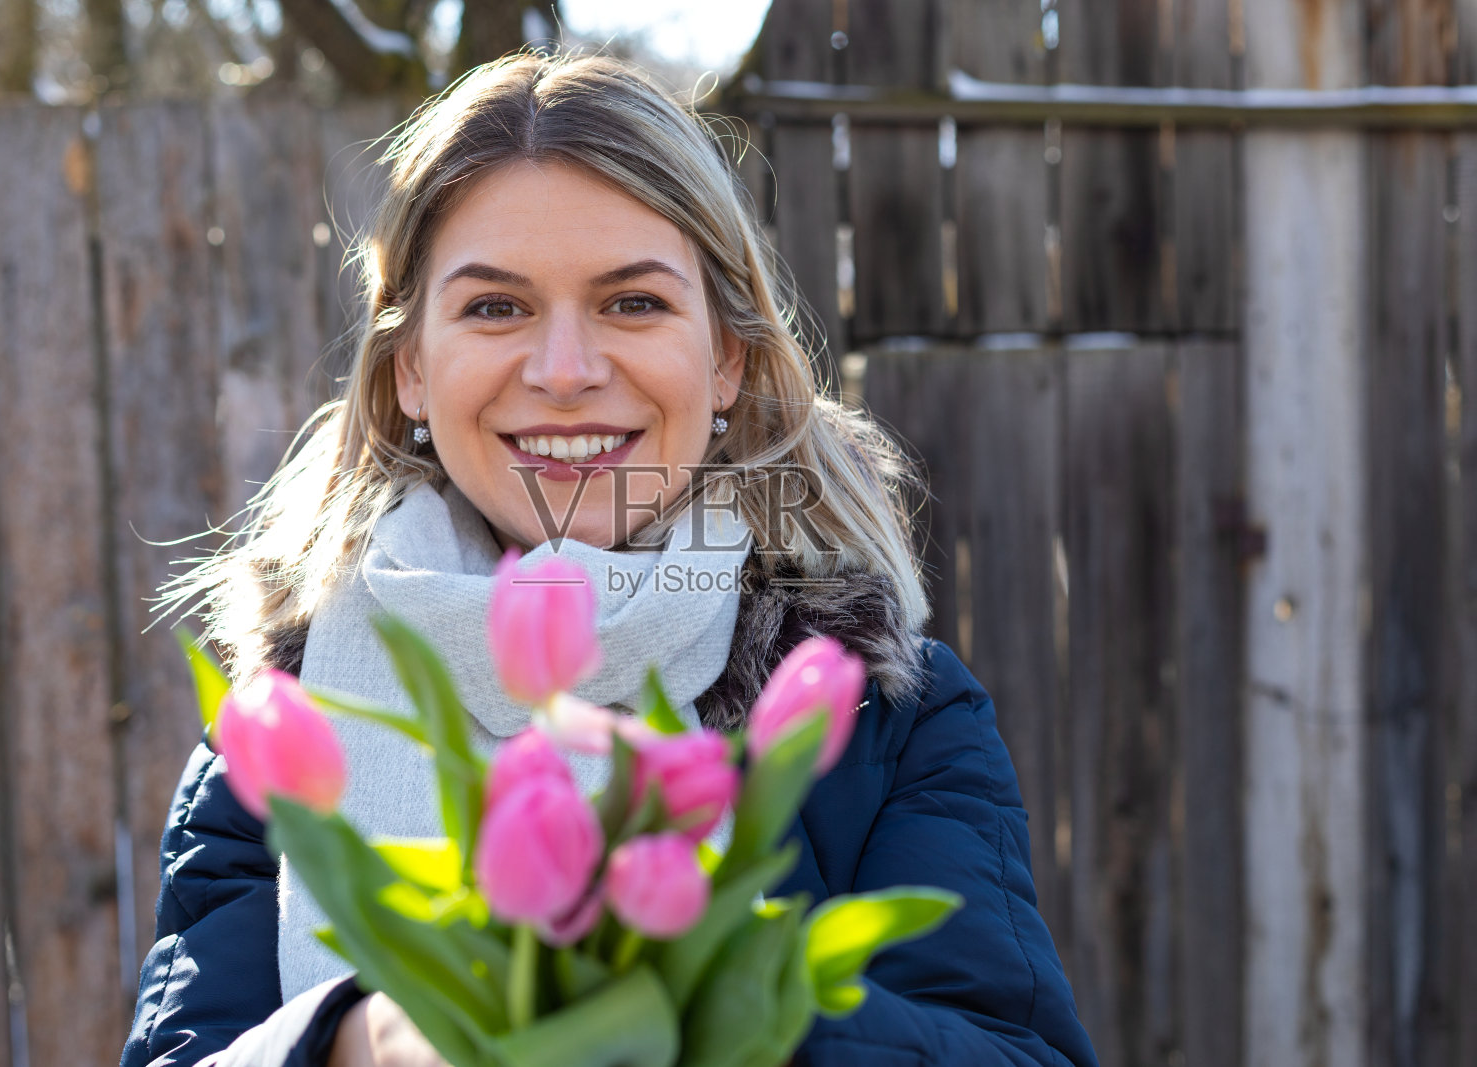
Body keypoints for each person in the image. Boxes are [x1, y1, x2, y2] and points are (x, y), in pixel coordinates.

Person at [120, 51, 1099, 1067]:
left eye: (632, 303)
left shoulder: (881, 721)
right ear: (410, 366)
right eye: (495, 307)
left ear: (725, 356)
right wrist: (350, 1041)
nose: (565, 371)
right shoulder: (283, 726)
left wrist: (692, 998)